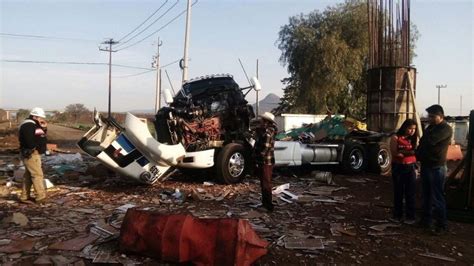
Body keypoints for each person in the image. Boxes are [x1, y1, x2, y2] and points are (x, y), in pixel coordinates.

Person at [416, 104, 453, 234]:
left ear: (440, 116)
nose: (430, 118)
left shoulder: (445, 128)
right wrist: (418, 155)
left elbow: (431, 141)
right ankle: (426, 220)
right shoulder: (430, 127)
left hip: (437, 166)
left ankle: (441, 225)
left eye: (432, 116)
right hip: (427, 165)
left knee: (437, 196)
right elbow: (422, 142)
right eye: (429, 116)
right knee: (426, 195)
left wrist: (423, 143)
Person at [389, 119, 418, 224]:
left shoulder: (413, 139)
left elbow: (417, 152)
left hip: (411, 167)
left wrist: (404, 152)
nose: (412, 131)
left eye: (414, 129)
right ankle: (397, 215)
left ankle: (410, 217)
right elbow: (396, 153)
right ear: (404, 127)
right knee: (398, 192)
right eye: (410, 128)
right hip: (399, 167)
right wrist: (410, 152)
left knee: (410, 193)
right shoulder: (395, 137)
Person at [18, 107, 48, 204]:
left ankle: (24, 197)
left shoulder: (33, 125)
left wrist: (43, 128)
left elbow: (40, 136)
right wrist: (34, 148)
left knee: (28, 175)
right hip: (31, 153)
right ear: (34, 116)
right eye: (40, 117)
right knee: (37, 175)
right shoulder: (29, 126)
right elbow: (29, 141)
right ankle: (40, 198)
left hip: (32, 153)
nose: (42, 119)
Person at [251, 112, 278, 212]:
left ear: (266, 122)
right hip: (268, 160)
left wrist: (258, 157)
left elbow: (265, 147)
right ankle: (265, 204)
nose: (260, 122)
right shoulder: (268, 131)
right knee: (264, 183)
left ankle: (268, 206)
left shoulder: (268, 132)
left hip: (266, 160)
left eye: (262, 120)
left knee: (266, 183)